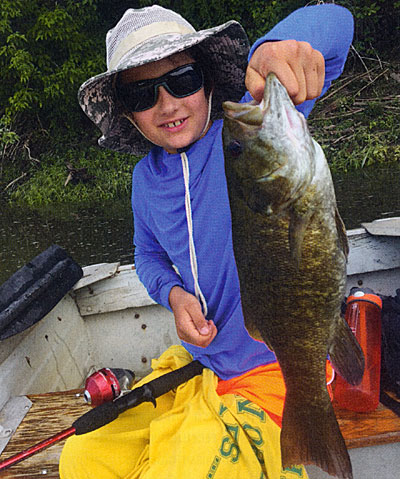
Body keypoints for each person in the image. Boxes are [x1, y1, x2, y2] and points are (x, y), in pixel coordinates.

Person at [60, 4, 353, 479]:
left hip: (279, 366)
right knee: (84, 455)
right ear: (126, 114)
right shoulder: (144, 181)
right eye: (141, 93)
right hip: (205, 366)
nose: (168, 103)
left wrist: (274, 51)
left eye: (182, 79)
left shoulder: (250, 141)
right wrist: (174, 296)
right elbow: (147, 256)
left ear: (209, 81)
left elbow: (337, 21)